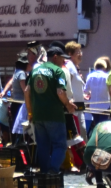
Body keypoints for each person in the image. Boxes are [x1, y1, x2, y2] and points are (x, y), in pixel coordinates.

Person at [28, 44, 75, 173]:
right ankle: (52, 172)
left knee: (43, 146)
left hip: (38, 115)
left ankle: (44, 174)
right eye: (62, 58)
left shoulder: (35, 70)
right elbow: (60, 92)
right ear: (55, 57)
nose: (64, 61)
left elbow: (27, 91)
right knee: (59, 145)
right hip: (54, 115)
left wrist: (30, 112)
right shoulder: (58, 71)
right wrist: (68, 105)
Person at [83, 56, 111, 130]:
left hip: (93, 106)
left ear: (95, 67)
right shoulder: (107, 76)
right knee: (104, 127)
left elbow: (85, 90)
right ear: (104, 67)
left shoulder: (90, 76)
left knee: (97, 126)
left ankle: (96, 139)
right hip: (105, 105)